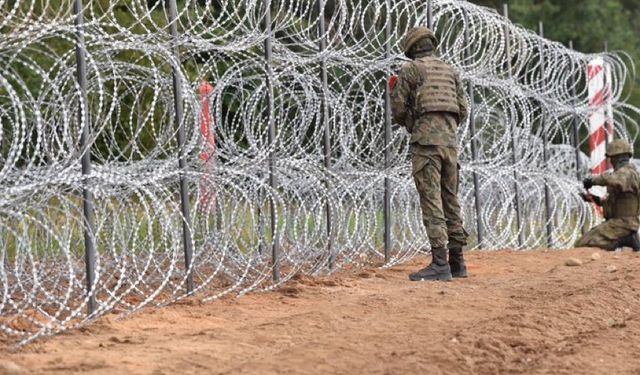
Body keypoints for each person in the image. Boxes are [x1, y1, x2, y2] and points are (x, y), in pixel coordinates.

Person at [390, 27, 469, 281]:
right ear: (432, 45)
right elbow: (463, 109)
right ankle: (458, 263)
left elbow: (399, 110)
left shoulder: (412, 69)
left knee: (432, 202)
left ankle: (439, 264)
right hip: (450, 144)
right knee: (451, 201)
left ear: (412, 49)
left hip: (426, 145)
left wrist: (410, 116)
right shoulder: (450, 71)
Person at [577, 139, 640, 251]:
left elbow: (614, 180)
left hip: (623, 223)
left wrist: (593, 181)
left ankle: (626, 238)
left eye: (611, 158)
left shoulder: (627, 173)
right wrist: (595, 200)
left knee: (586, 244)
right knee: (584, 241)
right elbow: (615, 201)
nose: (610, 161)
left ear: (617, 158)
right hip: (619, 222)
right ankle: (626, 239)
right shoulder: (624, 174)